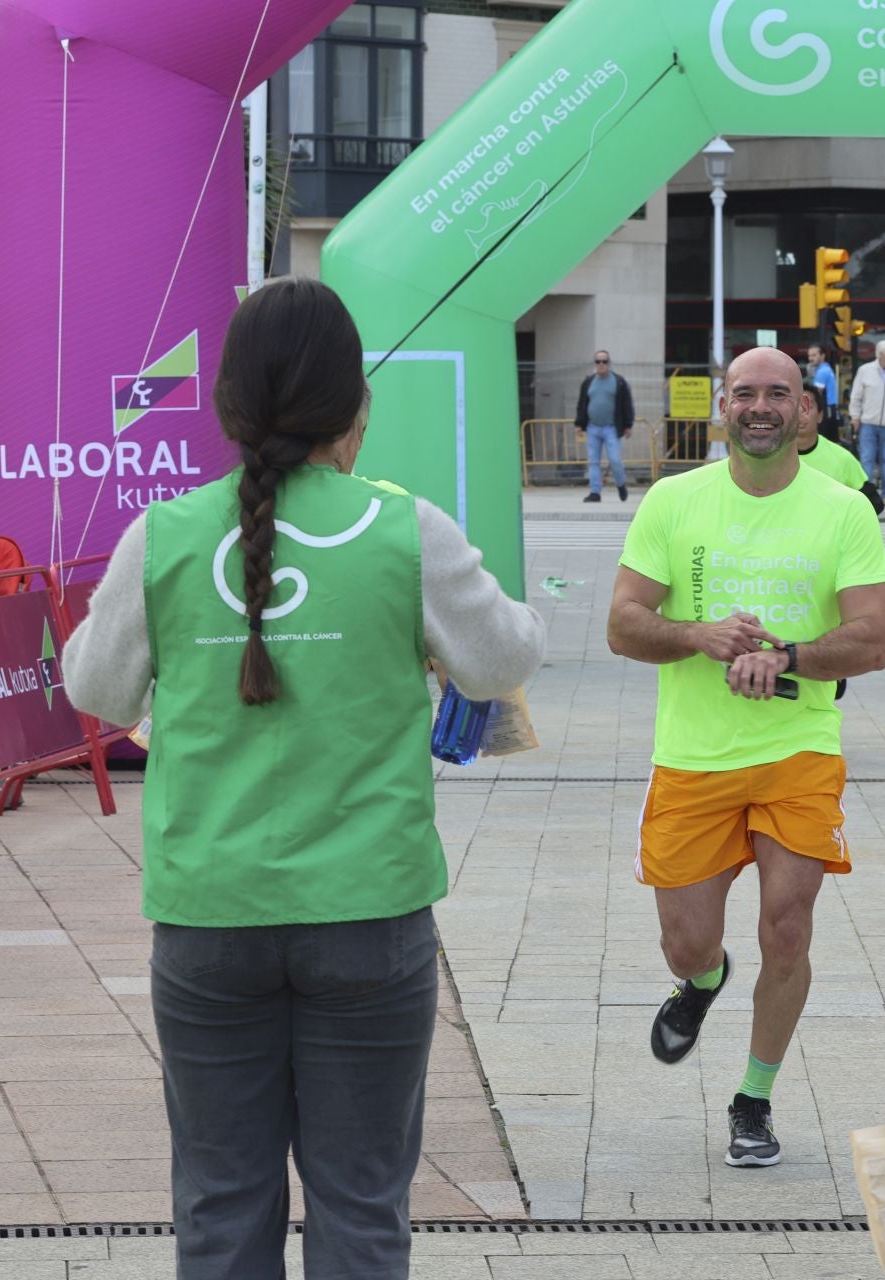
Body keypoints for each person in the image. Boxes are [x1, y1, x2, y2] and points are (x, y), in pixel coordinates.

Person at [62, 278, 545, 1280]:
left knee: (219, 1203)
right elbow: (503, 658)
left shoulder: (166, 534)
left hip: (208, 917)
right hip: (369, 911)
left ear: (228, 404)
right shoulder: (406, 529)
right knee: (362, 1204)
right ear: (352, 408)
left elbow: (96, 687)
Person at [608, 346, 885, 1168]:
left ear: (807, 410)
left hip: (797, 749)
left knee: (788, 926)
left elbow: (872, 641)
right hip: (693, 758)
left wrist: (791, 660)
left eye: (779, 394)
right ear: (721, 410)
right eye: (745, 394)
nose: (761, 407)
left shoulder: (844, 510)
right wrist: (697, 635)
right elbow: (624, 624)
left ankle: (754, 1099)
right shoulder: (673, 501)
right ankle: (702, 983)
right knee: (687, 944)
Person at [799, 385, 881, 514]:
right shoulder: (770, 457)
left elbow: (875, 504)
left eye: (807, 406)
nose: (801, 413)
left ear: (820, 415)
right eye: (795, 405)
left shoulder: (842, 458)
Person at [847, 339, 885, 503]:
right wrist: (855, 417)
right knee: (867, 459)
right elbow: (856, 396)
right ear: (880, 354)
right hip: (868, 423)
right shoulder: (865, 370)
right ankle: (867, 496)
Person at [574, 349, 634, 502]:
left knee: (614, 459)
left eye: (604, 361)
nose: (601, 364)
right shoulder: (588, 382)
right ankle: (595, 492)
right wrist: (579, 424)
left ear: (609, 363)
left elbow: (627, 404)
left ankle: (621, 484)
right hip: (593, 427)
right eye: (598, 361)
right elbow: (582, 403)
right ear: (594, 364)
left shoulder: (618, 382)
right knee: (593, 461)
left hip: (611, 428)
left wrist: (628, 425)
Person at [806, 344, 842, 443]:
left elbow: (816, 393)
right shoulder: (826, 369)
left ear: (823, 356)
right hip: (830, 409)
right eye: (809, 356)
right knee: (832, 441)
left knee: (823, 440)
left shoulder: (822, 371)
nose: (811, 358)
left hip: (826, 410)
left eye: (814, 355)